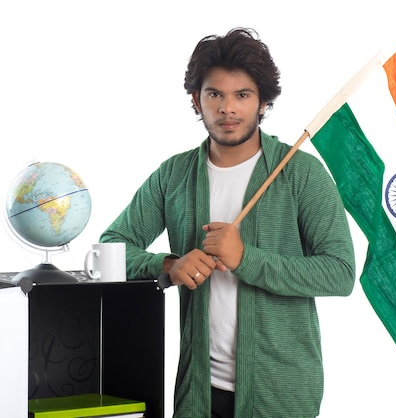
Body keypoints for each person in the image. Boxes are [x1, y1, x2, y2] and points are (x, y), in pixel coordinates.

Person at [100, 27, 356, 418]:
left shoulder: (302, 174)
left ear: (263, 103)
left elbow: (339, 273)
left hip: (282, 394)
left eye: (242, 95)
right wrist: (168, 266)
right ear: (196, 100)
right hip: (198, 392)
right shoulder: (174, 175)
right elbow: (112, 246)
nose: (227, 109)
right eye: (214, 94)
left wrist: (245, 259)